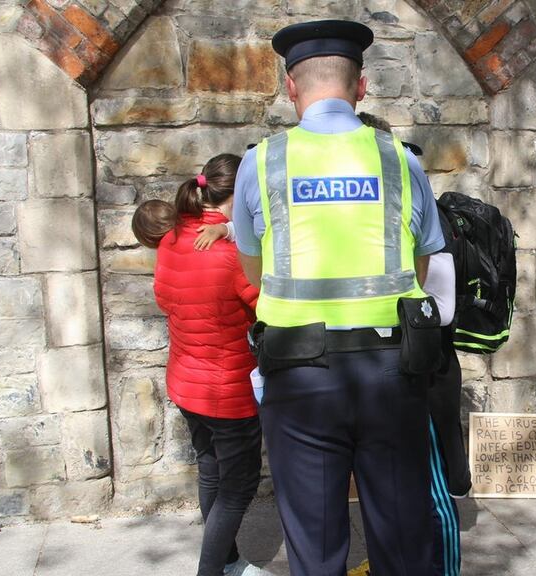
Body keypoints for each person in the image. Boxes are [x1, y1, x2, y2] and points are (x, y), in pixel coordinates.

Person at [230, 19, 447, 576]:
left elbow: (252, 268)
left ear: (290, 87)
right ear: (362, 86)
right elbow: (422, 261)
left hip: (298, 374)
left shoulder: (262, 161)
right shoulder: (401, 159)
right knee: (403, 534)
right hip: (391, 372)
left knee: (315, 538)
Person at [131, 154, 266, 576]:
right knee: (238, 486)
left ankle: (227, 563)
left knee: (210, 471)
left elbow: (165, 299)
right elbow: (267, 306)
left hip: (186, 383)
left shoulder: (171, 239)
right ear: (236, 194)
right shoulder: (230, 254)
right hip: (228, 390)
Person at [356, 112, 464, 576]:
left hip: (426, 369)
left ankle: (445, 569)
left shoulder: (425, 218)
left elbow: (443, 306)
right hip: (387, 370)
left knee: (433, 488)